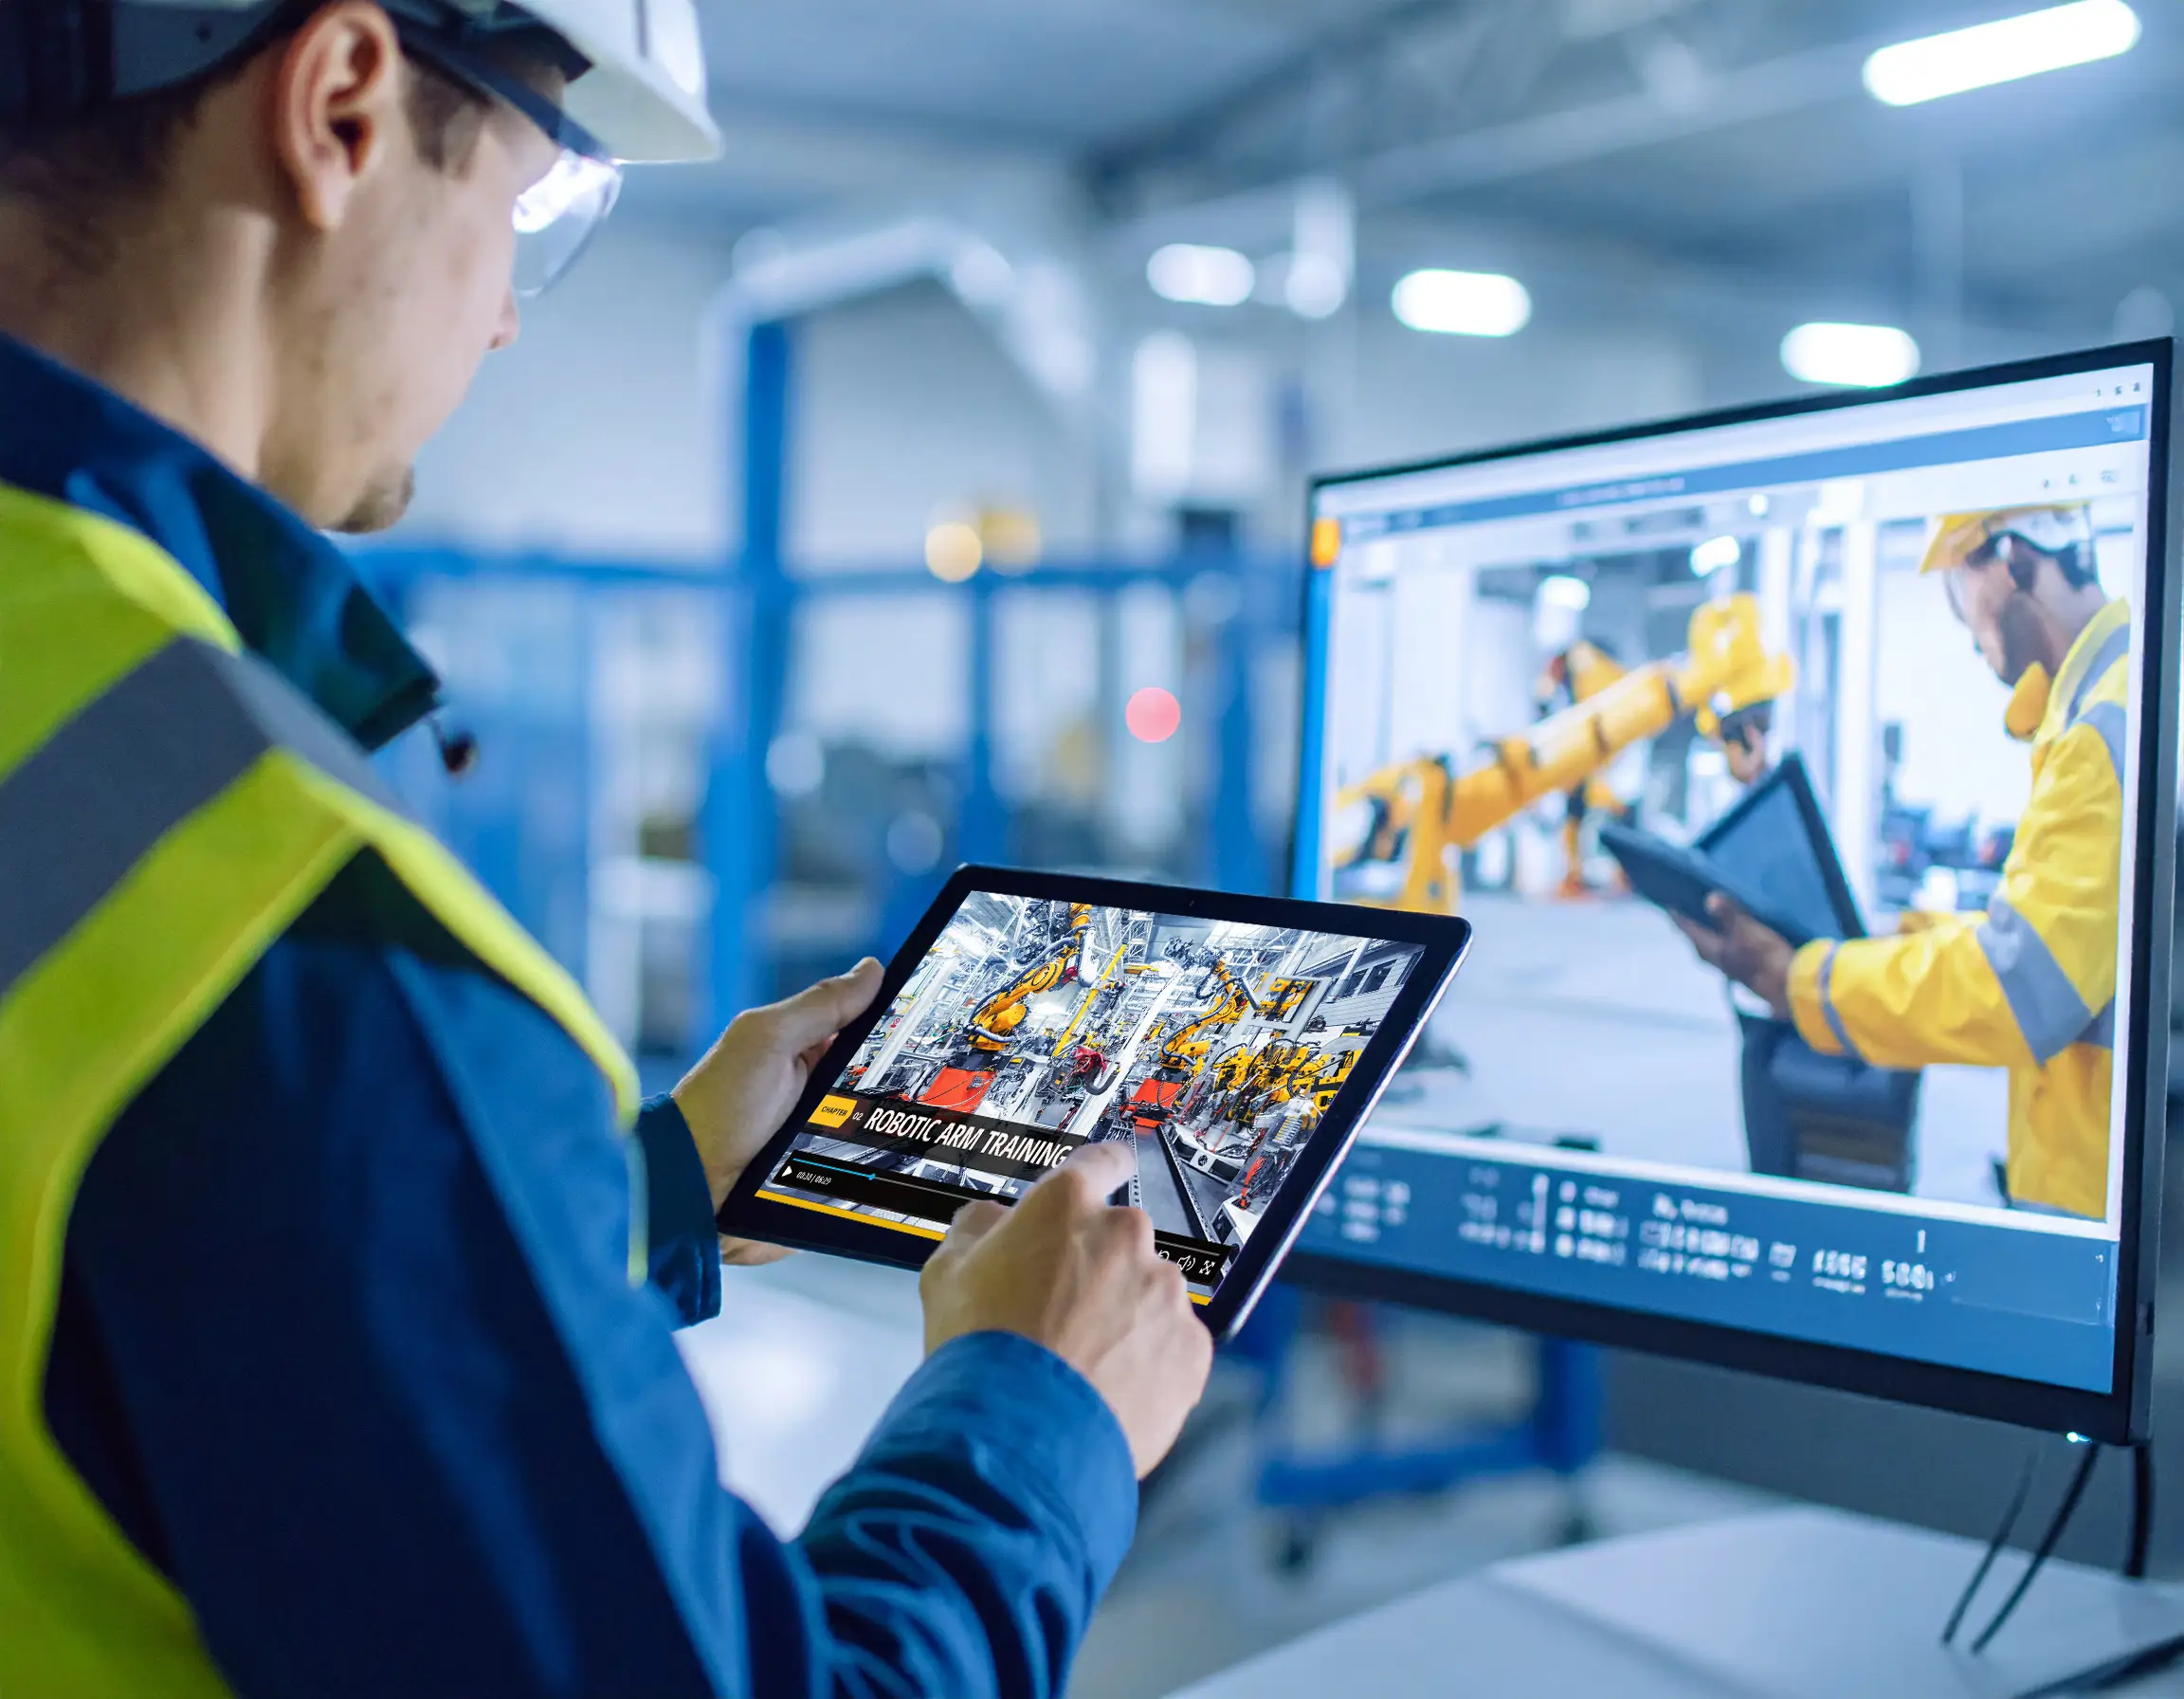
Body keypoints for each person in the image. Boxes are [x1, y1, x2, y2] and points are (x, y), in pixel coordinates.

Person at [0, 2, 1210, 1693]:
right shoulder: (297, 926)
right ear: (340, 107)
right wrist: (1037, 1408)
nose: (502, 314)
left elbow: (185, 1290)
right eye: (527, 206)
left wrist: (634, 1197)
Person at [1677, 502, 2128, 1218]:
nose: (1959, 621)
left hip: (2100, 1206)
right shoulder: (2103, 708)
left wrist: (1802, 980)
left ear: (2009, 560)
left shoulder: (2105, 727)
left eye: (1955, 584)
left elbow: (2021, 986)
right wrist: (1909, 940)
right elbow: (2060, 938)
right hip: (2085, 1177)